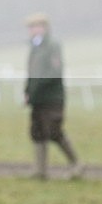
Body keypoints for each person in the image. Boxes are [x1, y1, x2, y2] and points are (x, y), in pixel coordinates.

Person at [24, 13, 82, 180]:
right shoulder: (34, 47)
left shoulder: (52, 46)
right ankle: (40, 170)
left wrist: (37, 87)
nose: (32, 30)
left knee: (54, 131)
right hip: (37, 98)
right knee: (37, 131)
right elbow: (31, 72)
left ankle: (76, 164)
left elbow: (54, 72)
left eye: (35, 26)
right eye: (30, 27)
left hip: (51, 97)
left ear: (44, 27)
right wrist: (28, 91)